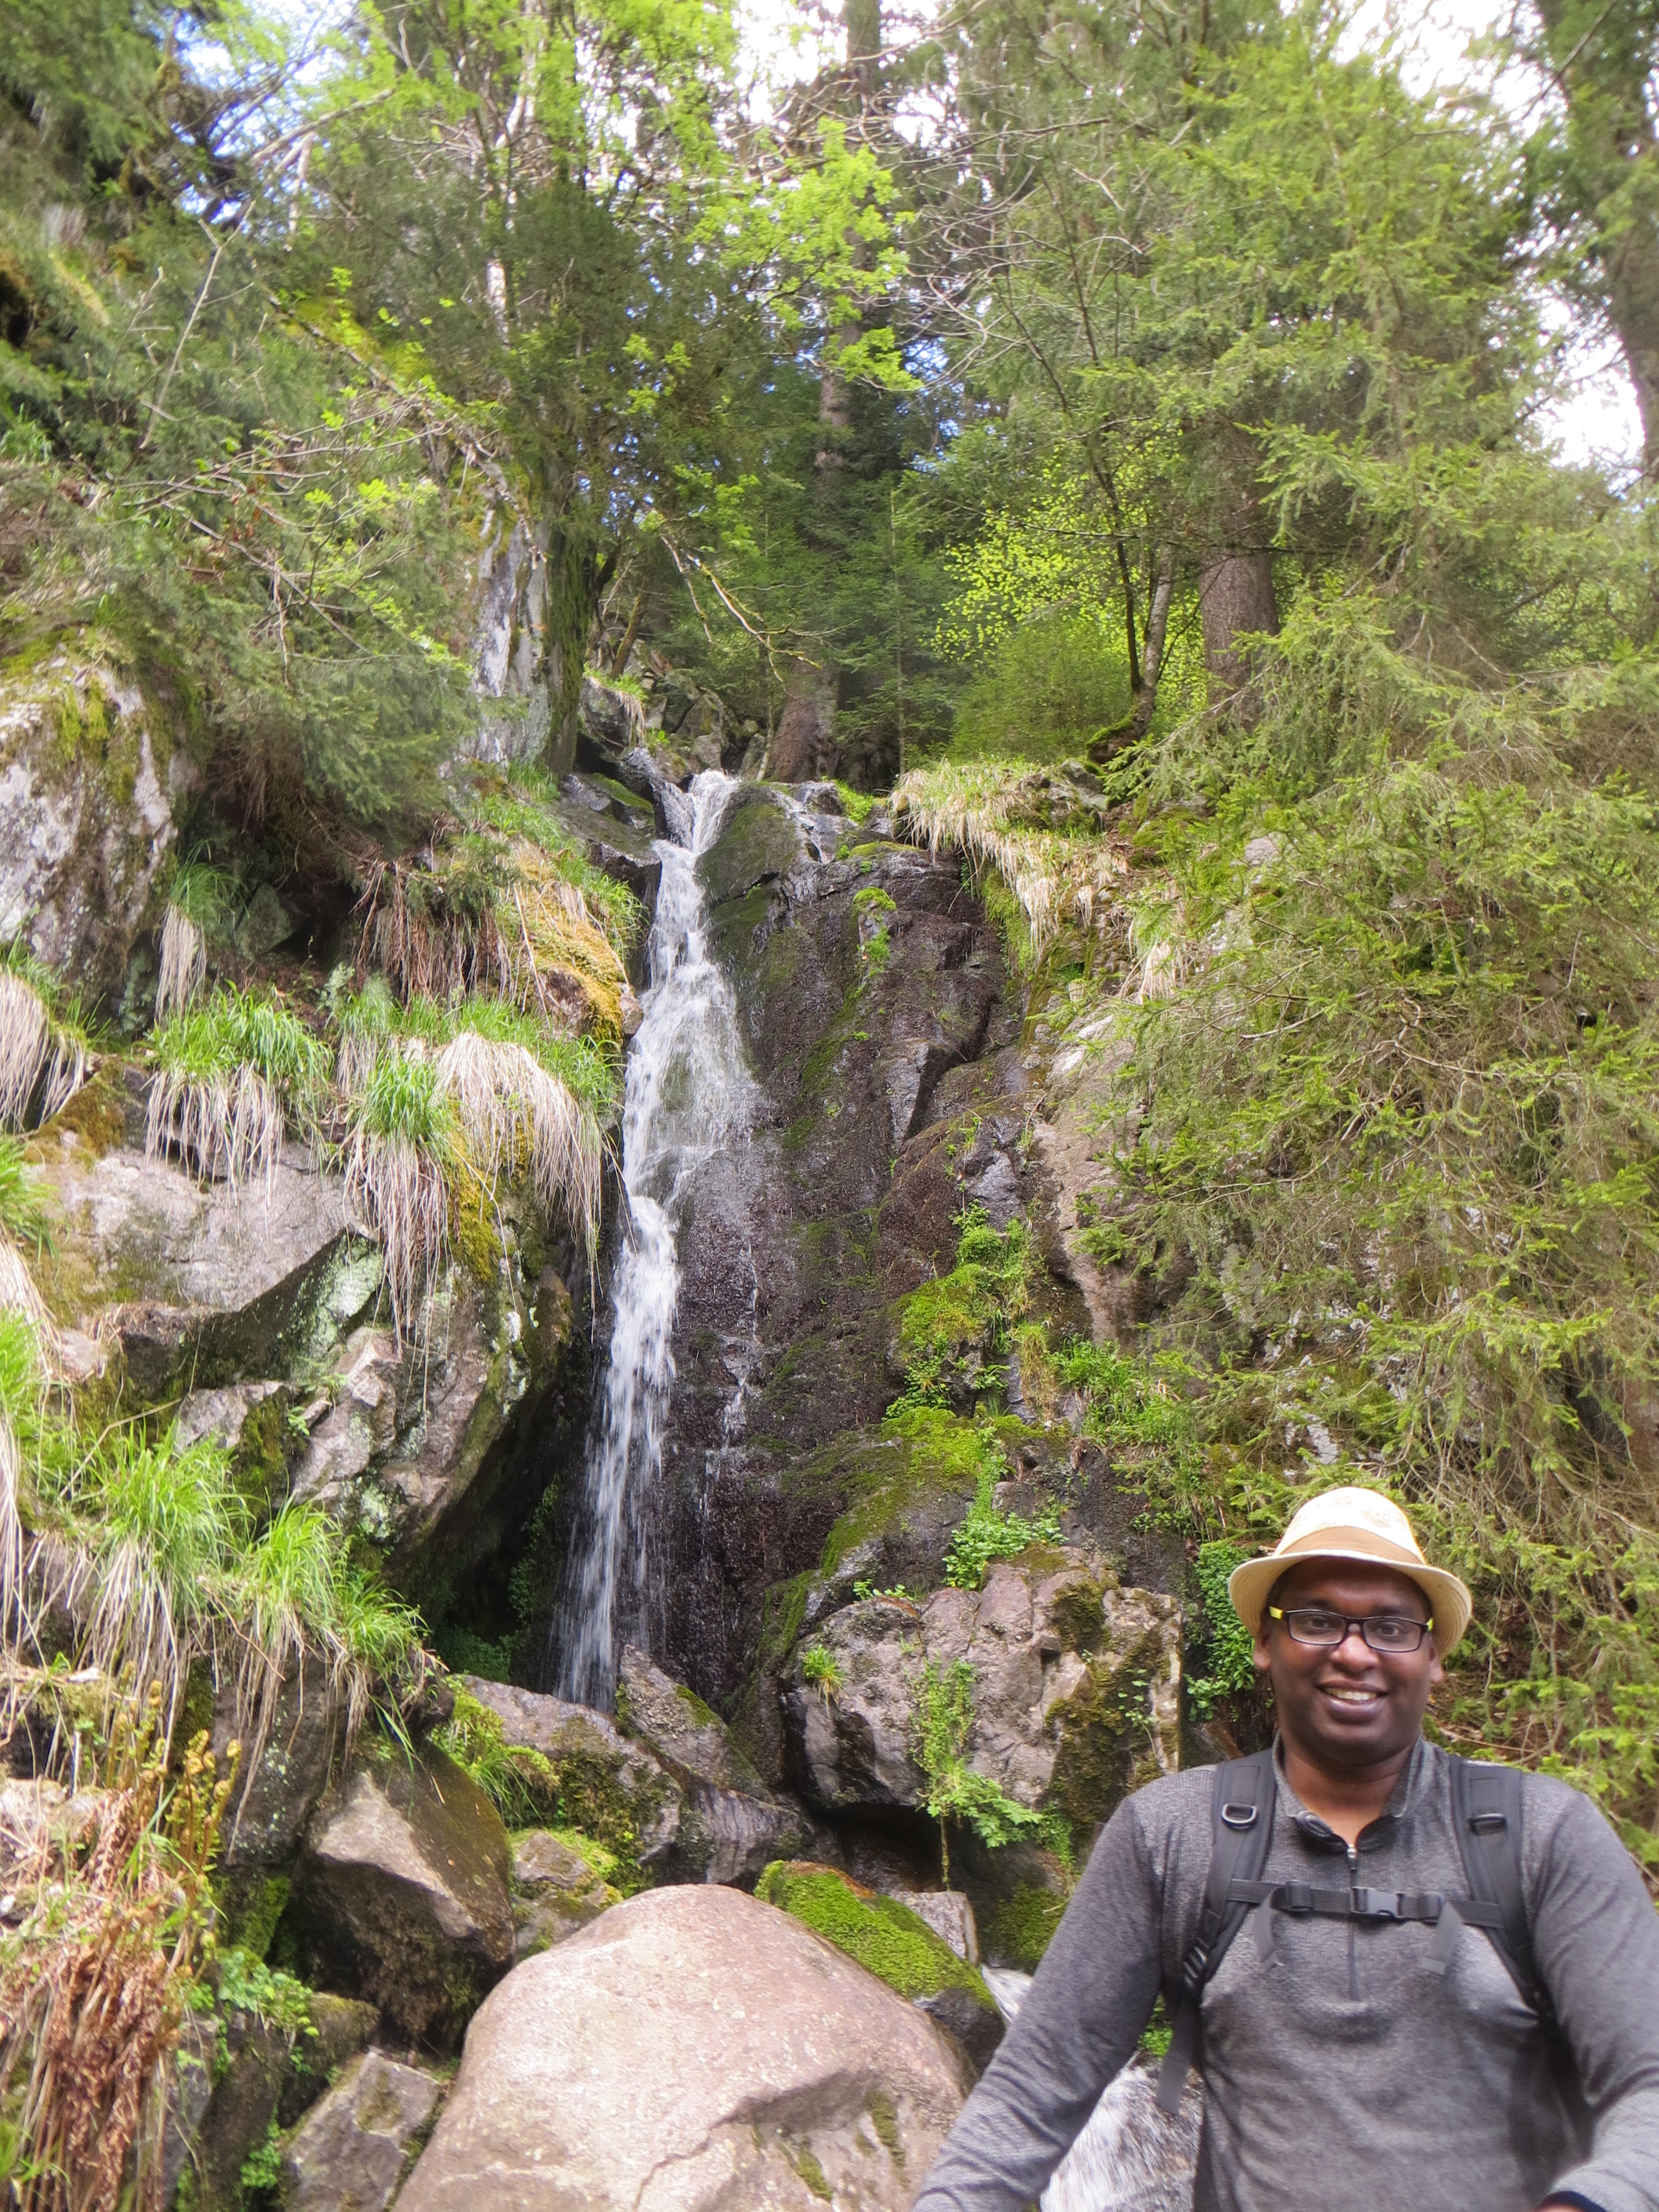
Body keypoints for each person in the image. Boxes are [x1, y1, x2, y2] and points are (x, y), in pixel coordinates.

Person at [911, 1485, 1659, 2212]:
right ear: (1266, 1643)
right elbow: (1036, 2086)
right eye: (1318, 1620)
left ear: (1433, 1655)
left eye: (1391, 1626)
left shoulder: (1541, 1835)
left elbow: (1648, 2084)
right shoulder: (1172, 1836)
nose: (1355, 1654)